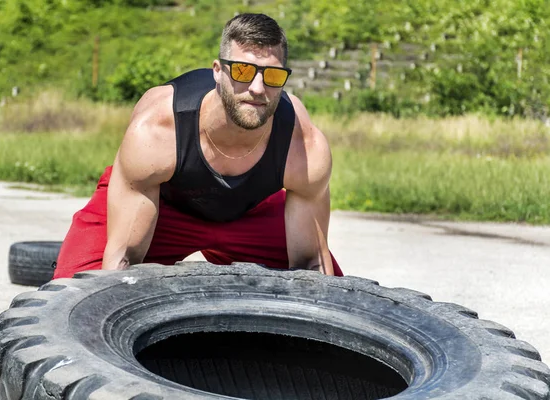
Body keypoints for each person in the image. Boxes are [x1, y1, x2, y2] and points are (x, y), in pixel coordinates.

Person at [53, 13, 344, 279]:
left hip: (250, 212)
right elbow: (122, 259)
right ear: (218, 71)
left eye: (273, 75)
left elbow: (311, 268)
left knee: (336, 294)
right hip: (161, 205)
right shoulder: (158, 130)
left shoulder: (303, 145)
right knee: (73, 291)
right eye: (242, 71)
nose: (257, 88)